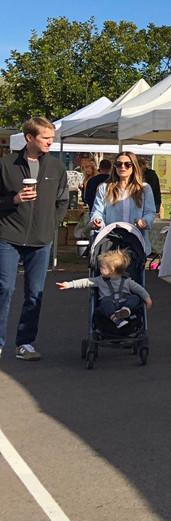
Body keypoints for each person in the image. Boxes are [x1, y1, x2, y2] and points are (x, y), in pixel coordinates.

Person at [0, 117, 68, 361]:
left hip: (41, 239)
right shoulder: (5, 165)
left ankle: (25, 343)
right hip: (8, 236)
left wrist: (52, 225)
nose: (51, 142)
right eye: (46, 138)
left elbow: (63, 201)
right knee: (4, 289)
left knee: (34, 293)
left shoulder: (56, 167)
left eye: (52, 137)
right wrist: (13, 201)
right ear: (29, 138)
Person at [90, 152, 157, 285]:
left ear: (134, 167)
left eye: (127, 164)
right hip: (111, 239)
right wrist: (97, 221)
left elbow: (150, 212)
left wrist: (144, 221)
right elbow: (97, 211)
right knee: (109, 276)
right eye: (119, 164)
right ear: (114, 167)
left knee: (132, 277)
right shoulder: (105, 188)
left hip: (135, 239)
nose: (123, 167)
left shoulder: (144, 189)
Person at [56, 248, 152, 335]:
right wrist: (68, 284)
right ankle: (116, 319)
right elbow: (85, 282)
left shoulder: (127, 280)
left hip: (124, 303)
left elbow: (140, 289)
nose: (100, 269)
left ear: (111, 270)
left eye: (102, 267)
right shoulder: (99, 280)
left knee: (135, 297)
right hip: (110, 304)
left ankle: (126, 309)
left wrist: (148, 300)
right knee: (105, 303)